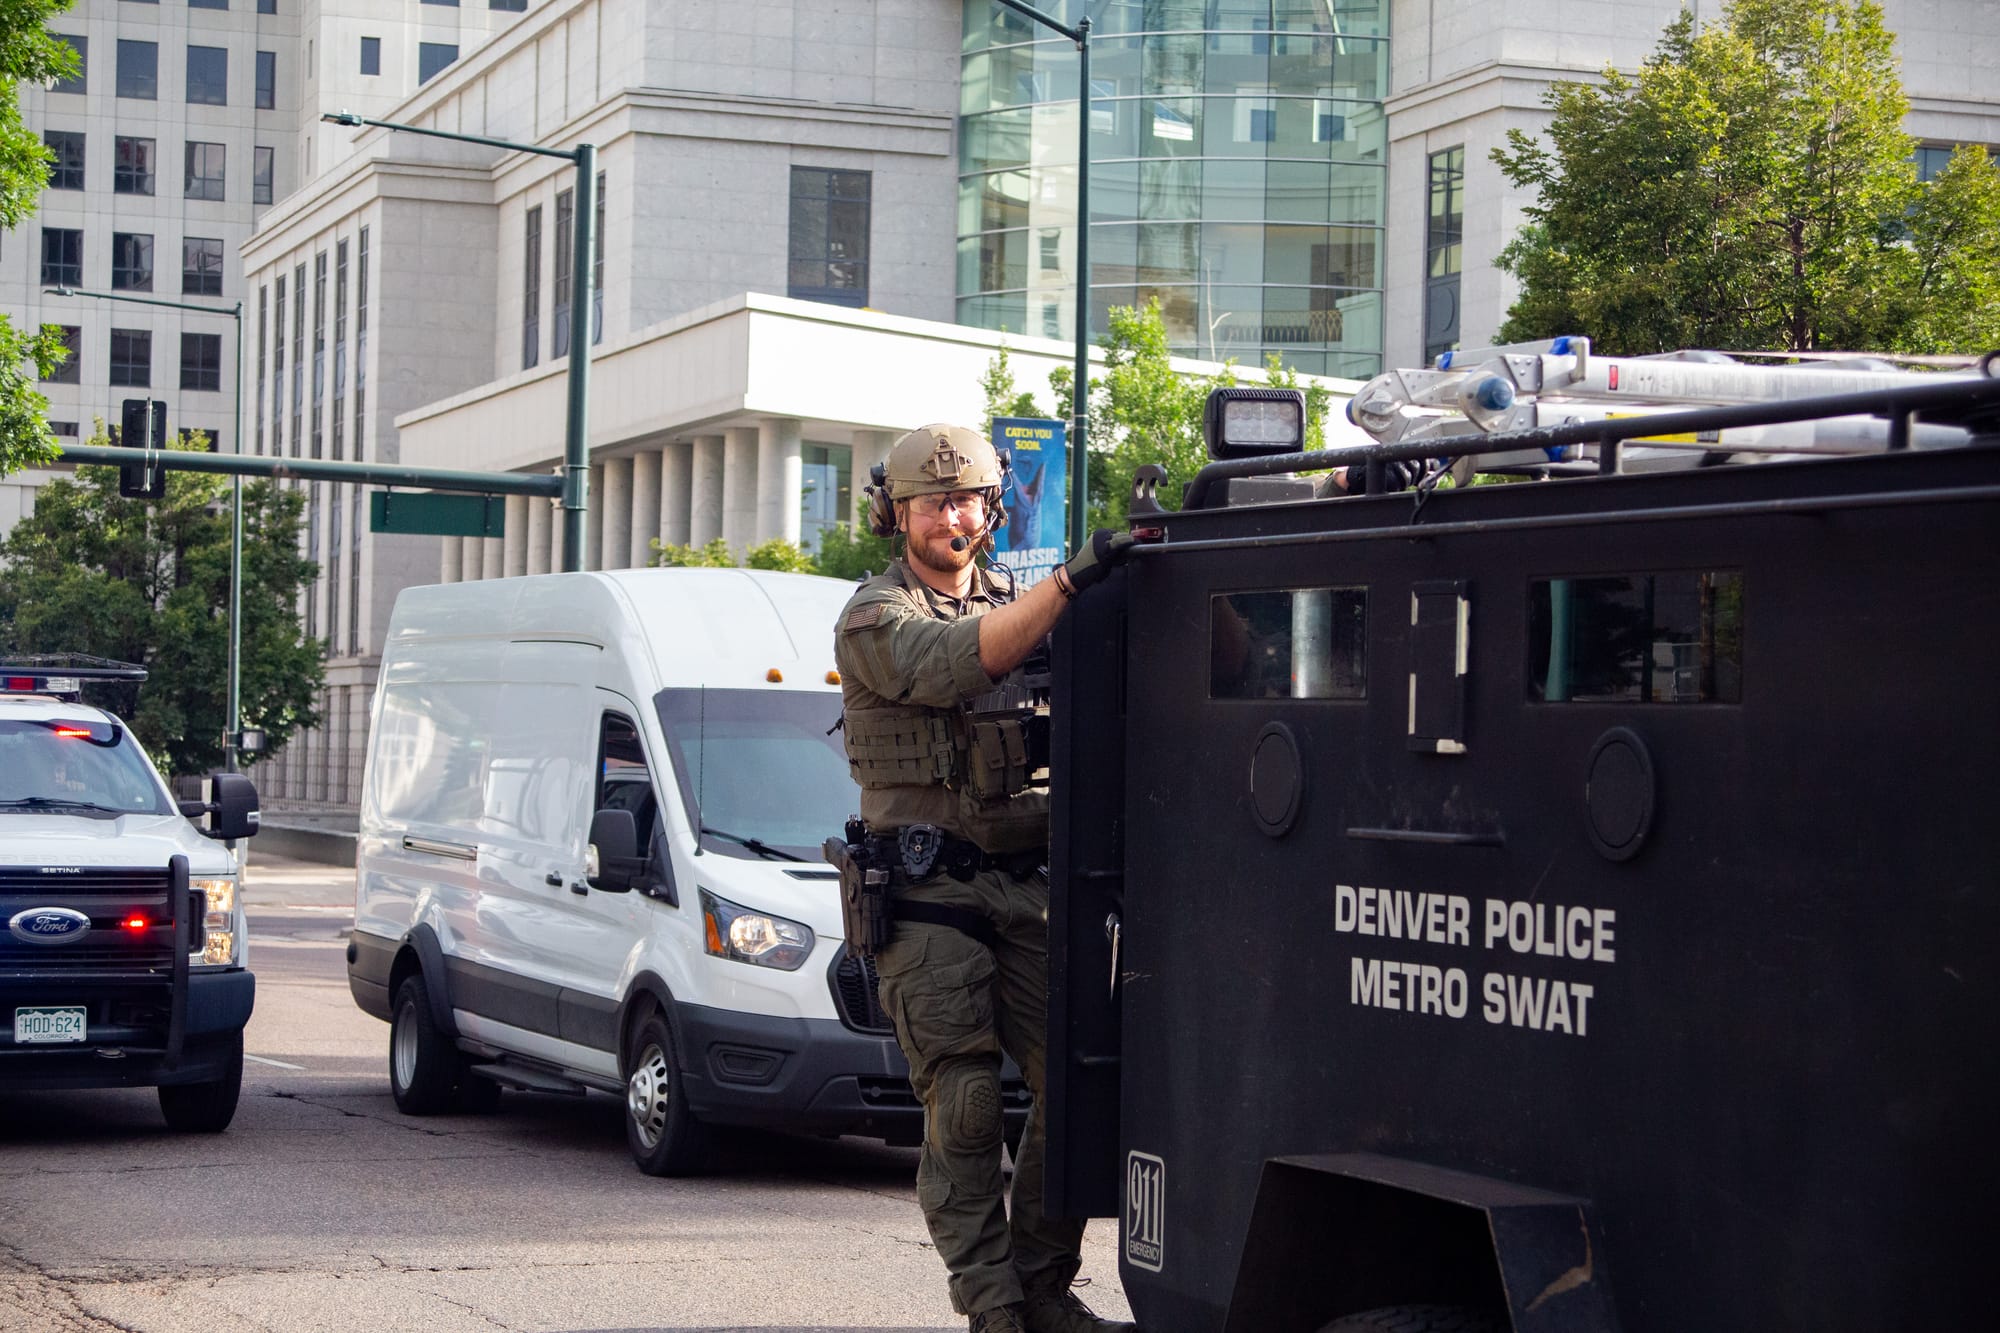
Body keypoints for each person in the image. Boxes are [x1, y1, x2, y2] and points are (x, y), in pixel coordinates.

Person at [833, 424, 1136, 1333]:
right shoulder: (873, 615)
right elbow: (963, 657)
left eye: (966, 499)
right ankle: (994, 1307)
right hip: (929, 899)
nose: (952, 518)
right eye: (932, 503)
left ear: (991, 507)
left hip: (1031, 885)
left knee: (1079, 1088)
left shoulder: (1023, 600)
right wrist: (1072, 581)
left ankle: (1042, 1288)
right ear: (896, 515)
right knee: (965, 1105)